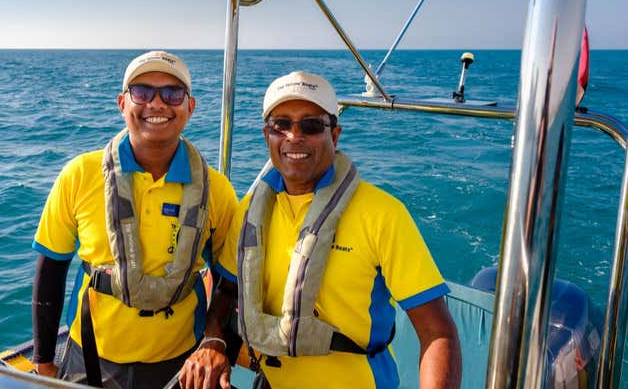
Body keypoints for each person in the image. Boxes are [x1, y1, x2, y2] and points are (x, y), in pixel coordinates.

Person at [180, 71, 462, 389]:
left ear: (335, 135)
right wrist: (214, 340)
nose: (294, 136)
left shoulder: (383, 214)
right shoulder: (250, 211)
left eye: (311, 125)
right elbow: (227, 289)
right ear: (267, 135)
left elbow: (437, 331)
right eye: (281, 125)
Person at [31, 50, 238, 388]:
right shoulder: (79, 174)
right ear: (122, 103)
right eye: (142, 92)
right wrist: (43, 361)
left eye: (172, 94)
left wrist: (215, 343)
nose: (156, 104)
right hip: (90, 354)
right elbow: (51, 268)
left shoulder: (216, 189)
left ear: (190, 106)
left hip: (180, 360)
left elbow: (228, 280)